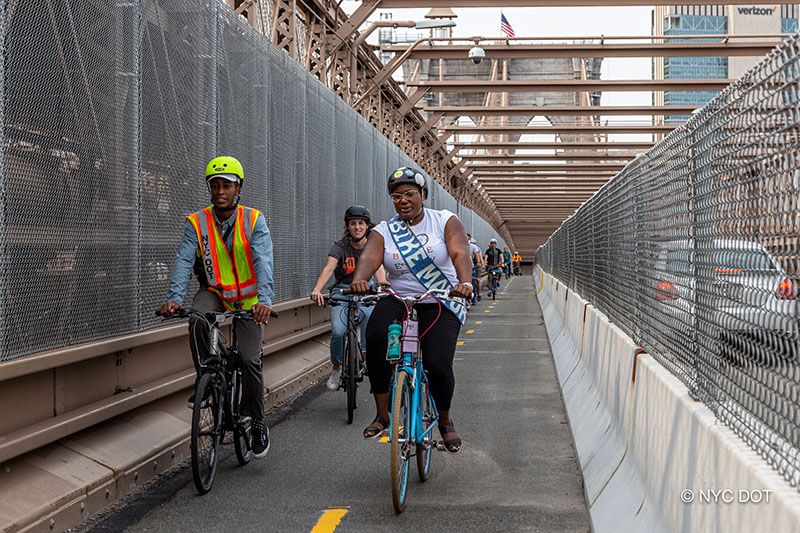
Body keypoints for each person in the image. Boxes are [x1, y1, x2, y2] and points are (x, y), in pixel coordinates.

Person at [350, 166, 473, 453]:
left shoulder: (444, 221)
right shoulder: (384, 230)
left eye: (409, 194)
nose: (403, 200)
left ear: (423, 195)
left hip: (440, 298)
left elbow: (460, 251)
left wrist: (465, 282)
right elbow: (370, 256)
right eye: (396, 196)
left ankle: (444, 419)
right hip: (398, 298)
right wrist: (359, 279)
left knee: (438, 364)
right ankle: (383, 413)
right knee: (376, 335)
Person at [159, 156, 274, 459]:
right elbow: (184, 260)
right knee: (197, 319)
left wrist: (264, 300)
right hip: (215, 293)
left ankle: (257, 420)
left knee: (249, 361)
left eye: (227, 185)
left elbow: (263, 262)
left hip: (249, 301)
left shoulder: (254, 220)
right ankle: (208, 378)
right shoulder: (197, 222)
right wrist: (174, 297)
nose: (220, 190)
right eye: (215, 185)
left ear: (238, 188)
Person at [310, 206, 387, 391]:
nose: (357, 227)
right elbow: (329, 268)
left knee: (370, 322)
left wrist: (383, 285)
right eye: (353, 223)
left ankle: (368, 361)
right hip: (342, 291)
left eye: (361, 223)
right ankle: (336, 368)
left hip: (366, 291)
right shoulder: (341, 247)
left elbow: (378, 269)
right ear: (348, 226)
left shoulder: (372, 246)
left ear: (367, 226)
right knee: (338, 331)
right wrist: (317, 290)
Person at [467, 234, 484, 305]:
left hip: (472, 266)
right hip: (461, 265)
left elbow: (478, 256)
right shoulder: (459, 245)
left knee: (475, 281)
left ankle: (474, 298)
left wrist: (479, 263)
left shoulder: (474, 247)